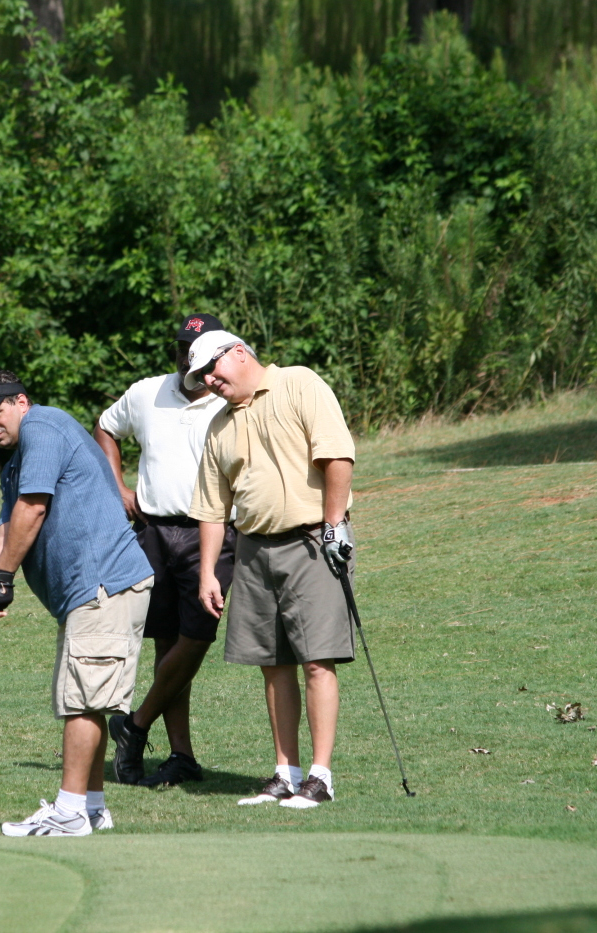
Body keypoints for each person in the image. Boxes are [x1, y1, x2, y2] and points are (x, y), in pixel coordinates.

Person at [0, 370, 154, 836]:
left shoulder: (42, 426)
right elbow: (10, 528)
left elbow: (34, 508)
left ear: (21, 402)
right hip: (84, 594)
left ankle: (69, 814)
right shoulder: (16, 463)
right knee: (82, 697)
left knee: (83, 700)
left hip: (103, 583)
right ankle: (90, 807)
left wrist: (4, 580)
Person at [184, 330, 357, 809]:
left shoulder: (299, 384)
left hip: (309, 542)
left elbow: (337, 456)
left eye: (211, 369)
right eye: (201, 376)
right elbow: (212, 508)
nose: (208, 380)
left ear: (239, 353)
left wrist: (333, 525)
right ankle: (286, 772)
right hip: (254, 550)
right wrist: (207, 574)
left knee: (318, 659)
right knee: (272, 662)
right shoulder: (218, 425)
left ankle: (320, 778)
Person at [92, 314, 237, 787]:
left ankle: (134, 725)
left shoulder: (230, 397)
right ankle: (181, 755)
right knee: (167, 641)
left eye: (194, 348)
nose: (184, 357)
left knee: (197, 637)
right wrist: (117, 490)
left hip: (211, 532)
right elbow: (105, 428)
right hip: (153, 530)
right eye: (180, 347)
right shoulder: (145, 392)